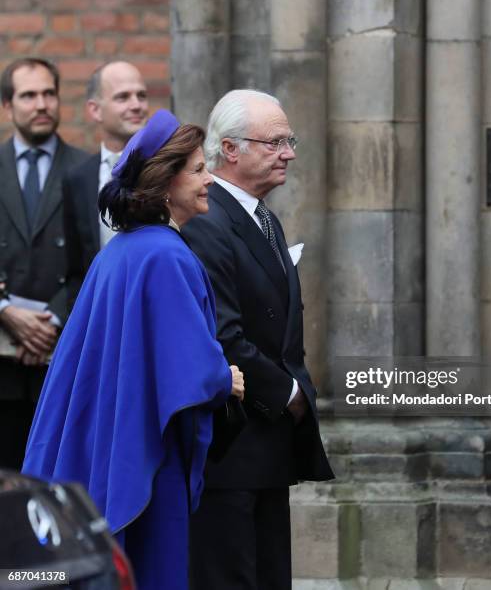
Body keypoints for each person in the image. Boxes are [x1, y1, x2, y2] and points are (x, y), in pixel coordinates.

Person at [22, 109, 244, 590]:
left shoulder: (121, 251)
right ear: (167, 182)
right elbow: (190, 371)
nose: (209, 180)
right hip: (147, 448)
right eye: (199, 170)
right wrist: (227, 378)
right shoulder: (166, 255)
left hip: (112, 431)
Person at [184, 89, 334, 589]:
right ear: (230, 149)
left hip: (266, 446)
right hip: (234, 443)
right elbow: (223, 334)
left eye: (289, 141)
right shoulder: (208, 220)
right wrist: (289, 394)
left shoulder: (262, 216)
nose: (288, 152)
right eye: (274, 142)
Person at [0, 58, 87, 469]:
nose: (41, 104)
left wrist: (53, 319)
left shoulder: (87, 172)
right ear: (6, 106)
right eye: (28, 95)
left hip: (64, 356)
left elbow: (98, 260)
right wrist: (6, 313)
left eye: (49, 94)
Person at [63, 61, 149, 309]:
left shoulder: (169, 171)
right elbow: (76, 268)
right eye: (123, 97)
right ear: (95, 110)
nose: (136, 105)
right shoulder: (78, 178)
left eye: (141, 96)